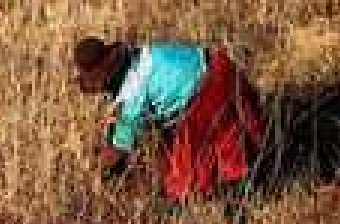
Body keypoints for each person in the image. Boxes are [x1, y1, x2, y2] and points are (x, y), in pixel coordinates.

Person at [73, 36, 266, 203]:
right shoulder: (142, 55)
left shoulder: (132, 95)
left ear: (107, 77)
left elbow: (119, 150)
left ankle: (239, 197)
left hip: (211, 91)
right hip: (220, 65)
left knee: (194, 171)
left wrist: (97, 175)